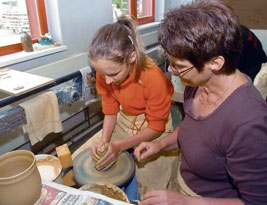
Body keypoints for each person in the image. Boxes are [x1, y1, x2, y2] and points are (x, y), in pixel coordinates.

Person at [134, 0, 267, 204]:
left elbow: (255, 202)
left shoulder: (247, 123)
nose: (171, 70)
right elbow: (192, 131)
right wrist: (160, 145)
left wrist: (186, 201)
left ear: (215, 62)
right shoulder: (197, 84)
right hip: (186, 186)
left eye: (178, 66)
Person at [72, 17, 178, 199]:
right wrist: (105, 143)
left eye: (113, 74)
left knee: (150, 190)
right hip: (125, 118)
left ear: (132, 57)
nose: (107, 81)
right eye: (102, 74)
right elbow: (110, 112)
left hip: (154, 126)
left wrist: (119, 146)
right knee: (79, 158)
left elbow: (156, 127)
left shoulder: (153, 78)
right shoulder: (105, 74)